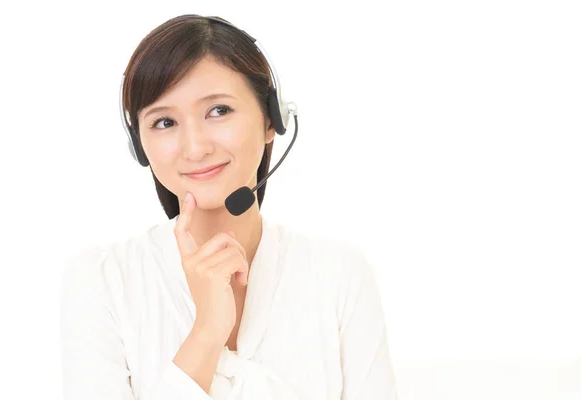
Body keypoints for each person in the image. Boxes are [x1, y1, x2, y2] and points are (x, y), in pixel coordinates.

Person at [59, 14, 398, 400]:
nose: (195, 147)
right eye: (165, 121)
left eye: (218, 110)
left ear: (272, 120)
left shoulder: (338, 275)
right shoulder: (103, 281)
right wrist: (206, 333)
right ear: (140, 146)